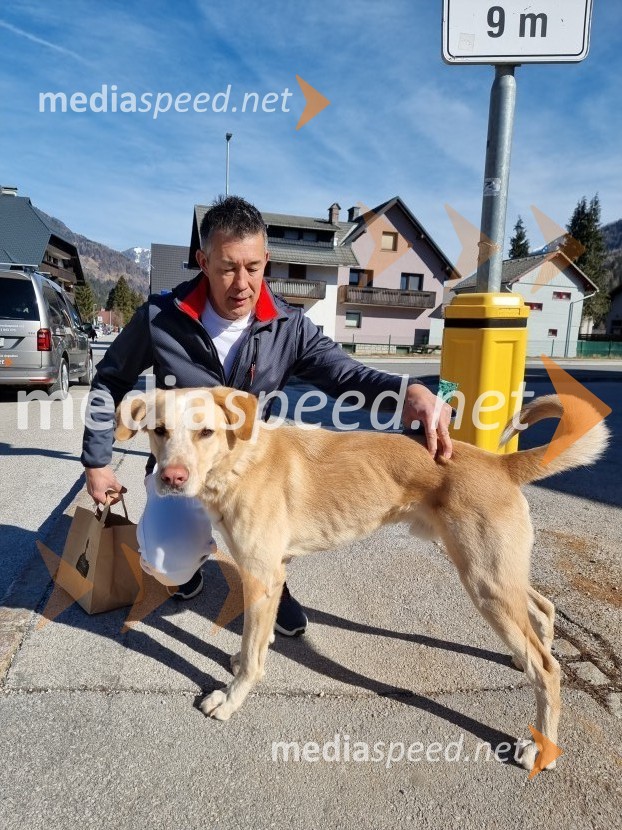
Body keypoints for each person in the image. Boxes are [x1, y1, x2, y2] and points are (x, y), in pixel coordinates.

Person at [81, 195, 453, 636]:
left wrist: (405, 390)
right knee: (167, 564)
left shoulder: (287, 325)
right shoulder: (161, 318)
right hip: (185, 465)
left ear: (266, 260)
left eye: (253, 267)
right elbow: (109, 381)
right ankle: (191, 565)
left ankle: (272, 575)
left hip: (253, 471)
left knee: (265, 542)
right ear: (203, 260)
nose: (242, 282)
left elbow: (341, 373)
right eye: (227, 267)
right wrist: (98, 461)